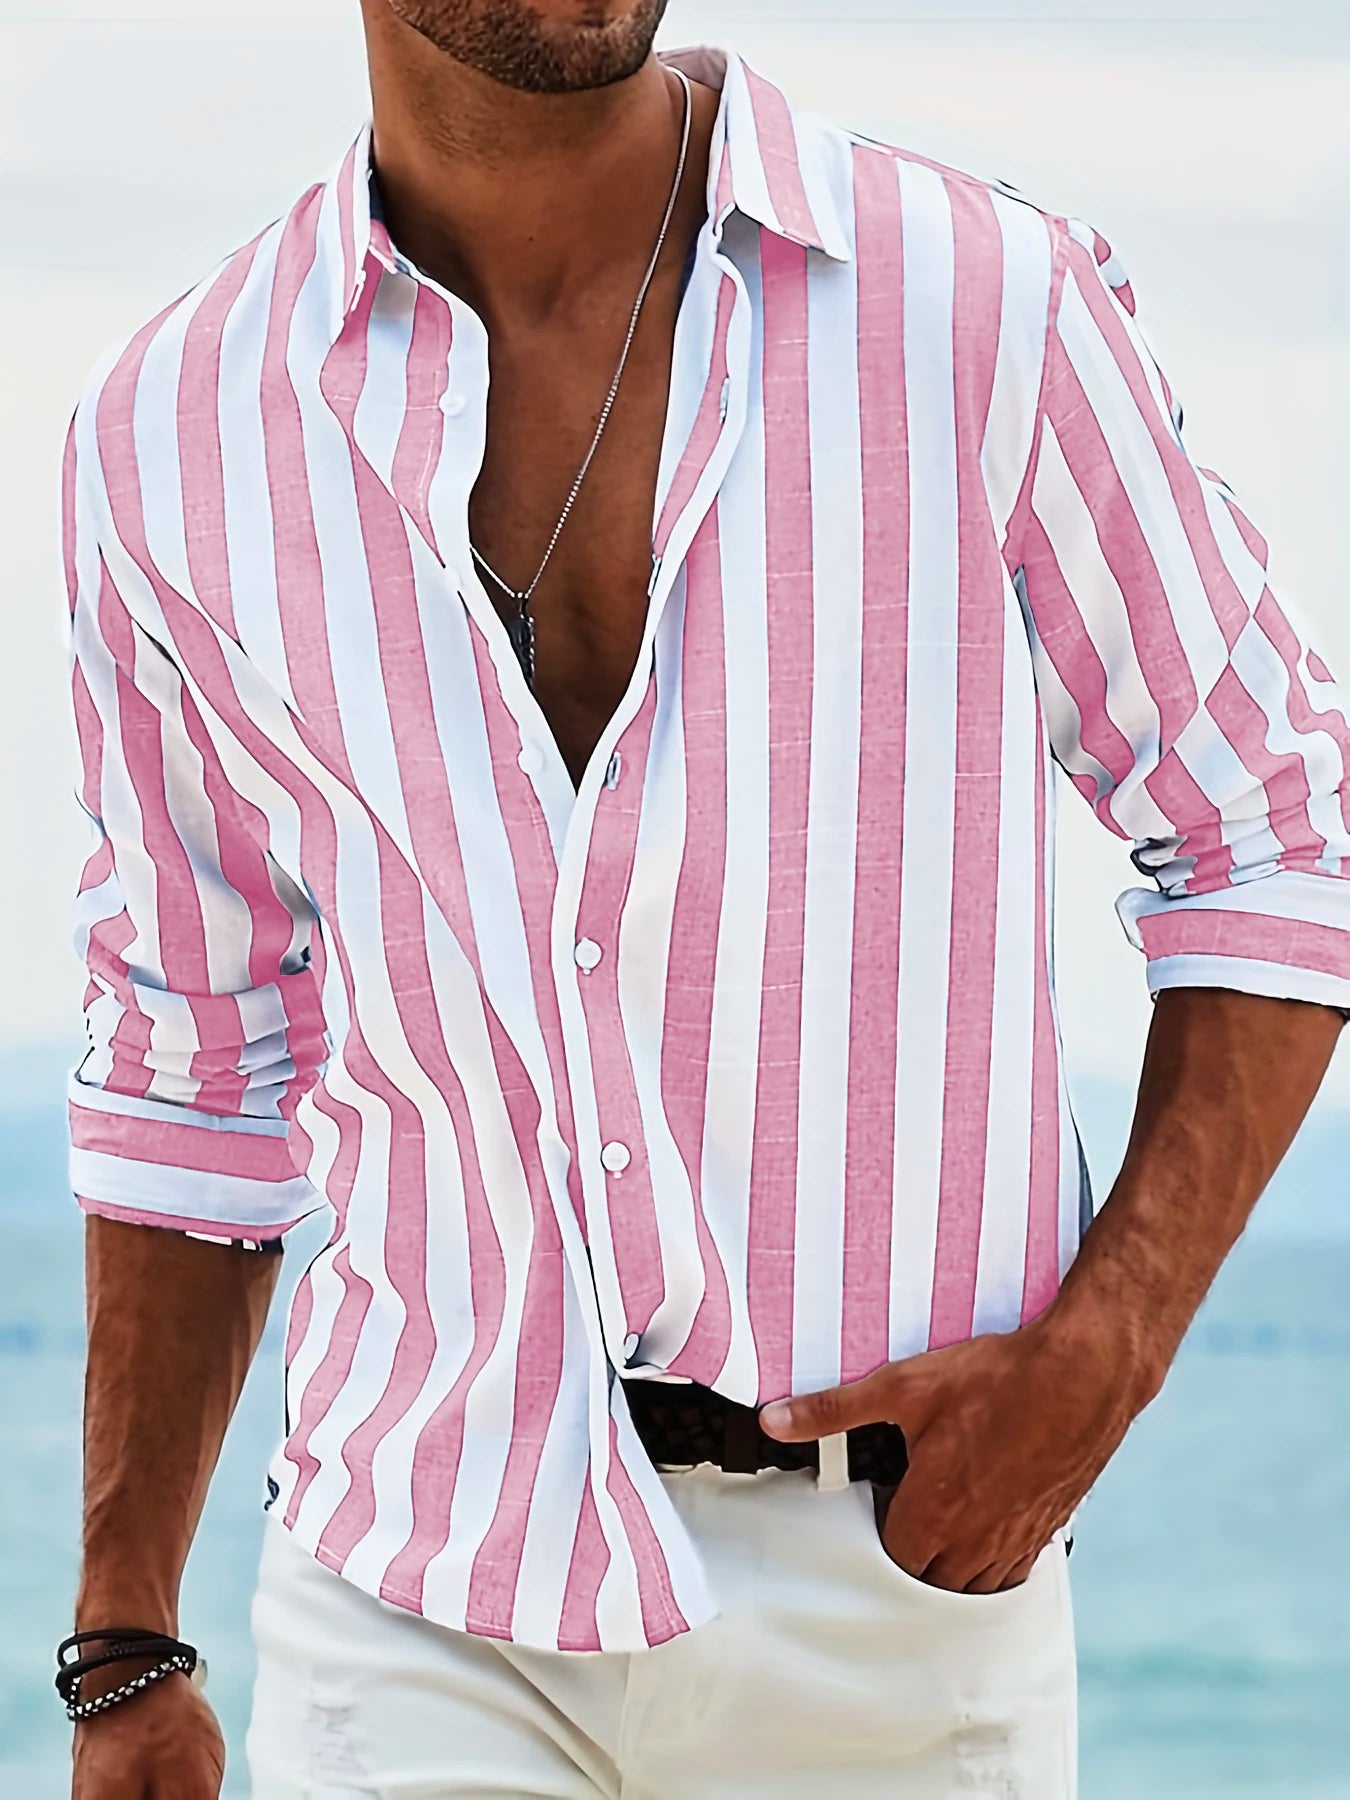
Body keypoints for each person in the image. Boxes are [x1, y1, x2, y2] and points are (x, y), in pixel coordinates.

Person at [57, 3, 1350, 1796]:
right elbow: (193, 1043)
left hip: (905, 1587)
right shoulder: (173, 435)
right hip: (418, 1587)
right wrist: (123, 1637)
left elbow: (1274, 824)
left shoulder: (976, 300)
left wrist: (1108, 1347)